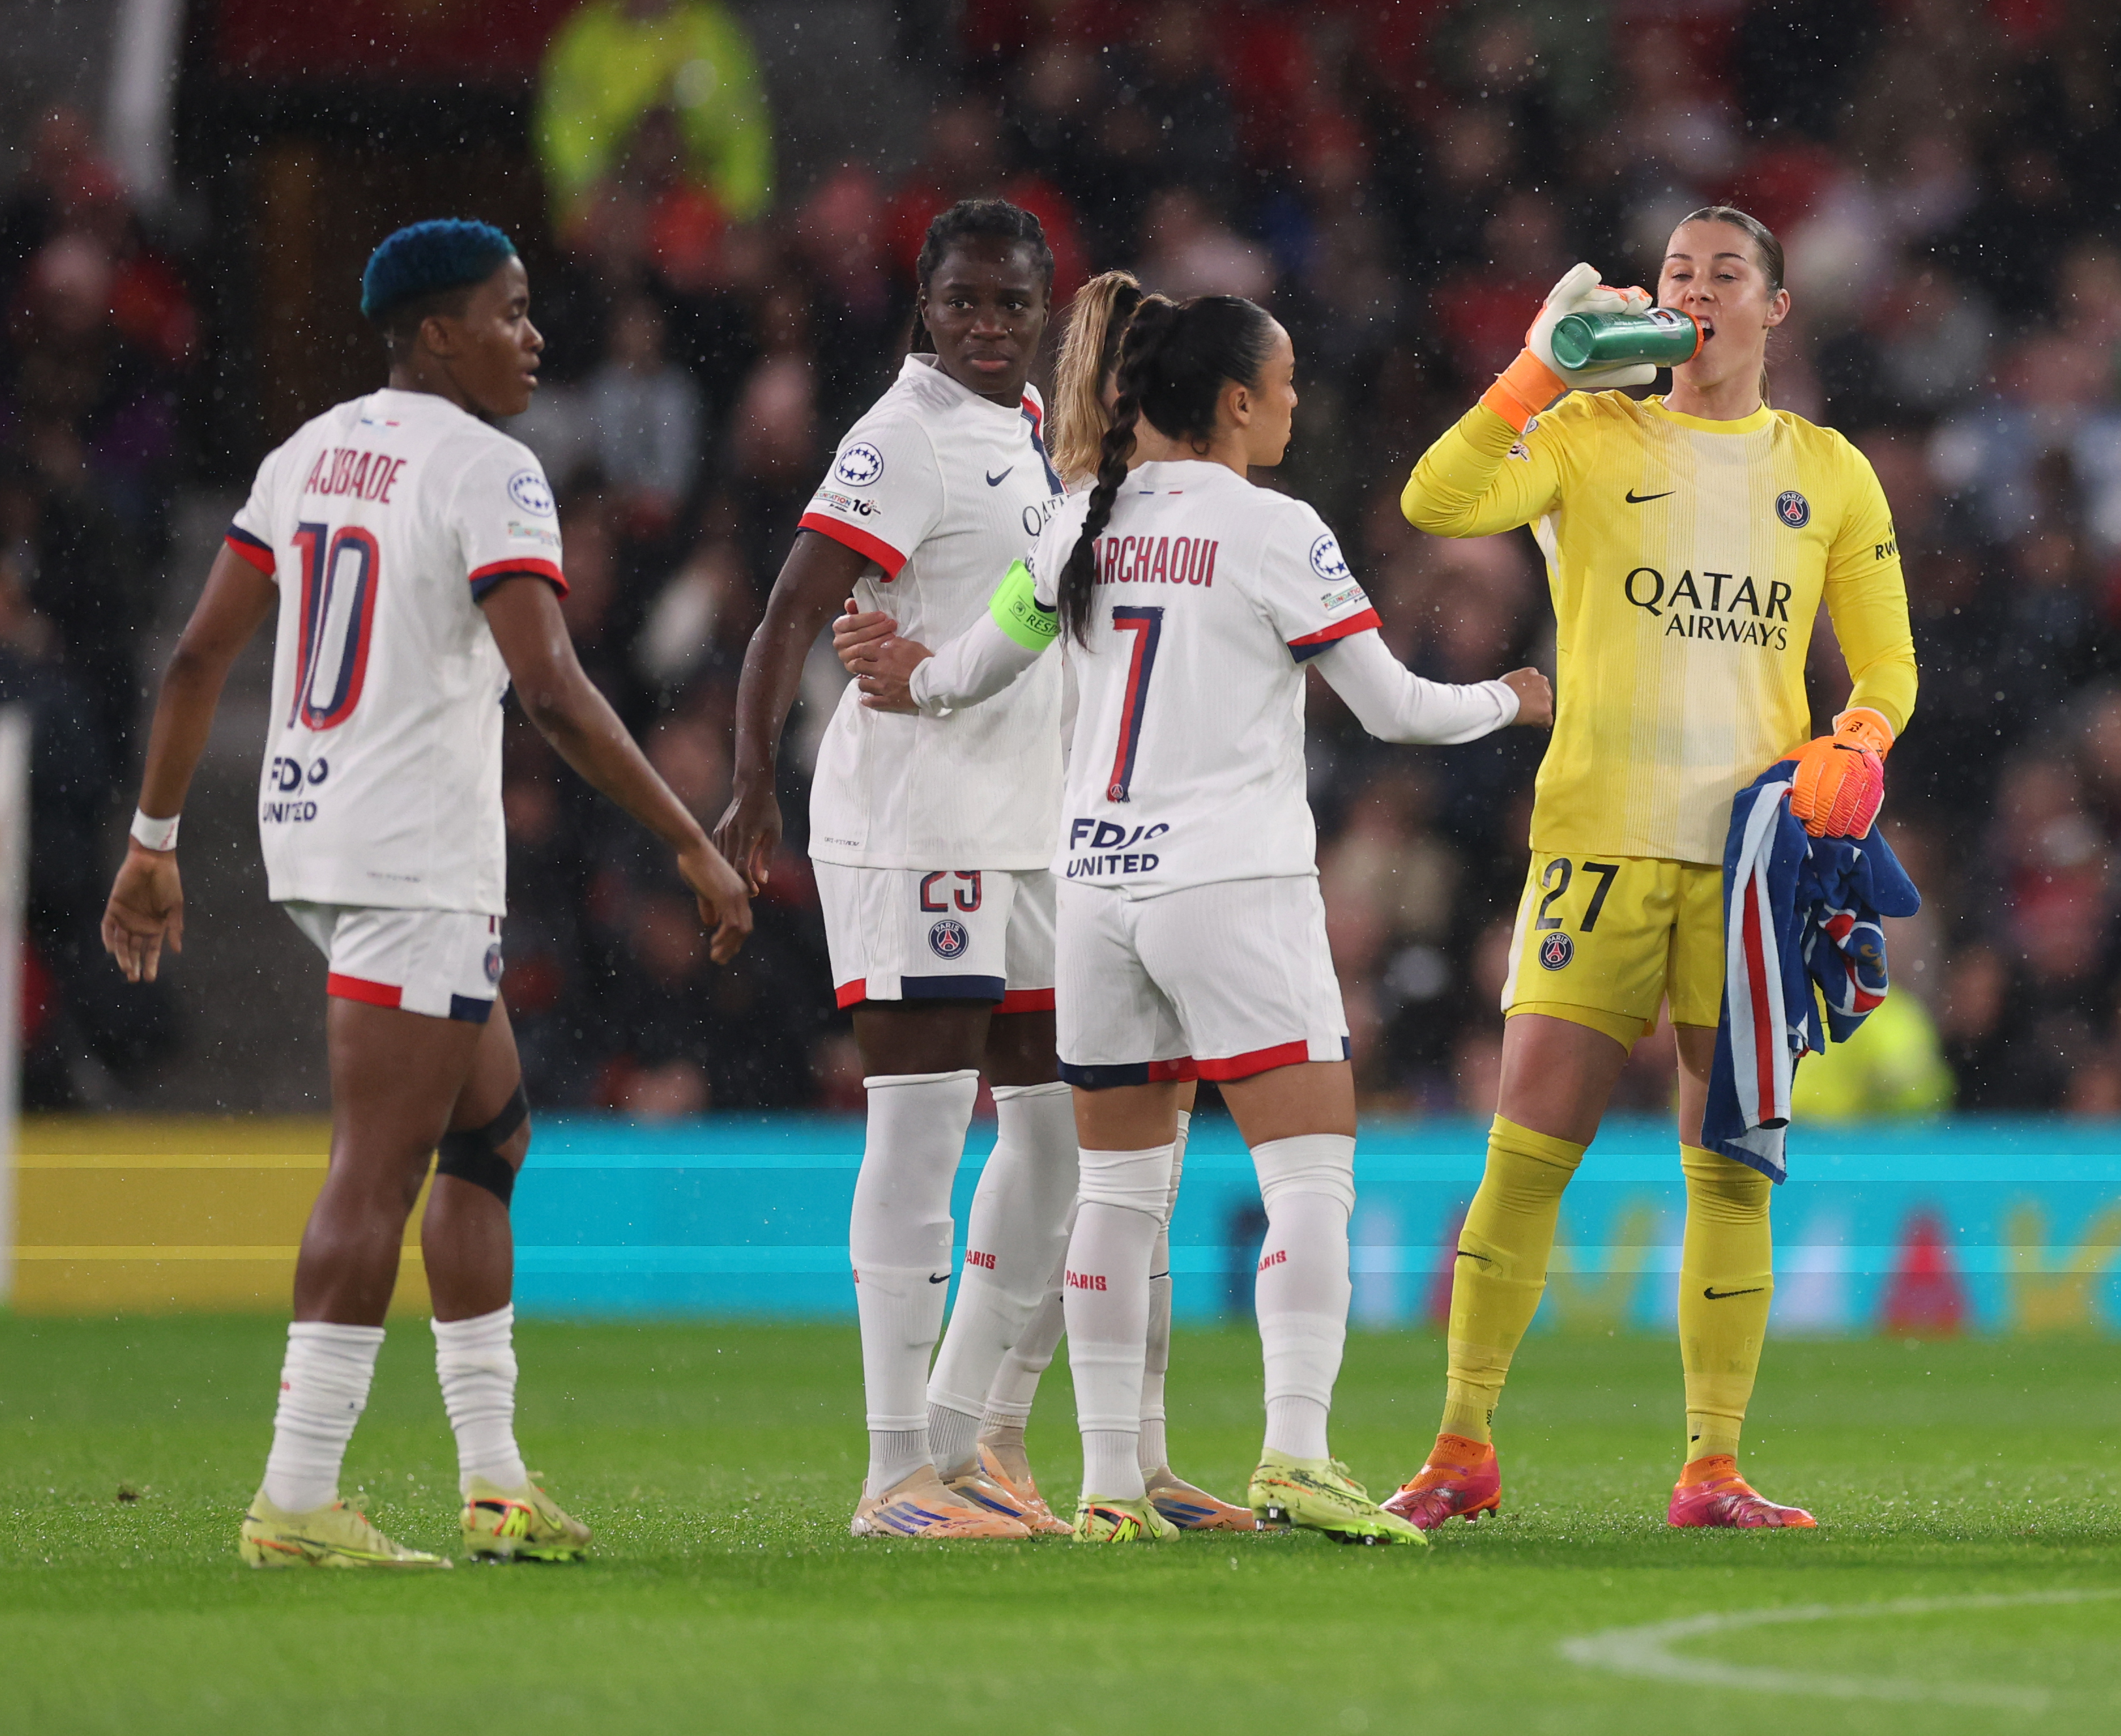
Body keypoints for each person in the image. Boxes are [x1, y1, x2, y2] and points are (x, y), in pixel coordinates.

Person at [837, 290, 1548, 1543]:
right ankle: (1295, 1451)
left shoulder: (1075, 523)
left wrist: (906, 675)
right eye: (1281, 381)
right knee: (1310, 1174)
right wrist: (1513, 697)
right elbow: (1391, 709)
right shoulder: (1277, 530)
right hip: (1231, 886)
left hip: (1097, 892)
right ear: (1230, 399)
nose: (1293, 400)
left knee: (1113, 1193)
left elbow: (971, 667)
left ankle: (1112, 1483)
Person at [99, 220, 753, 1567]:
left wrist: (159, 835)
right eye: (510, 315)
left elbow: (194, 655)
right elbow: (556, 692)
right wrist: (690, 839)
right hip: (408, 858)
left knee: (489, 1137)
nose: (534, 338)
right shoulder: (490, 468)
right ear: (439, 333)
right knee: (377, 1166)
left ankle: (496, 1479)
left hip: (324, 838)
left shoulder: (309, 450)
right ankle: (294, 1497)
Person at [1382, 208, 1917, 1533]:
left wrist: (1855, 736)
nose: (1695, 292)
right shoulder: (1582, 436)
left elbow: (1890, 665)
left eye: (1725, 274)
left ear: (1775, 309)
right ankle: (1461, 1448)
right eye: (1676, 274)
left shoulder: (1829, 470)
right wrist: (1538, 368)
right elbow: (1434, 499)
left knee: (1729, 1169)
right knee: (1525, 1157)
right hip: (1596, 845)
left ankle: (1711, 1467)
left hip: (1747, 866)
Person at [718, 203, 1190, 1539]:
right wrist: (751, 781)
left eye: (1010, 303)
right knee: (920, 1131)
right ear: (925, 306)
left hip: (1030, 830)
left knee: (1053, 1132)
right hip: (919, 829)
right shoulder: (902, 439)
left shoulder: (1025, 433)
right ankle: (889, 1476)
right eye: (965, 301)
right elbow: (790, 613)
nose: (988, 324)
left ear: (1041, 311)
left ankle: (961, 1432)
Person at [534, 0, 775, 234]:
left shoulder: (711, 32)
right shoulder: (587, 39)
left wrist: (741, 210)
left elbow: (743, 128)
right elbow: (563, 125)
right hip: (616, 191)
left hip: (695, 189)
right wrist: (592, 190)